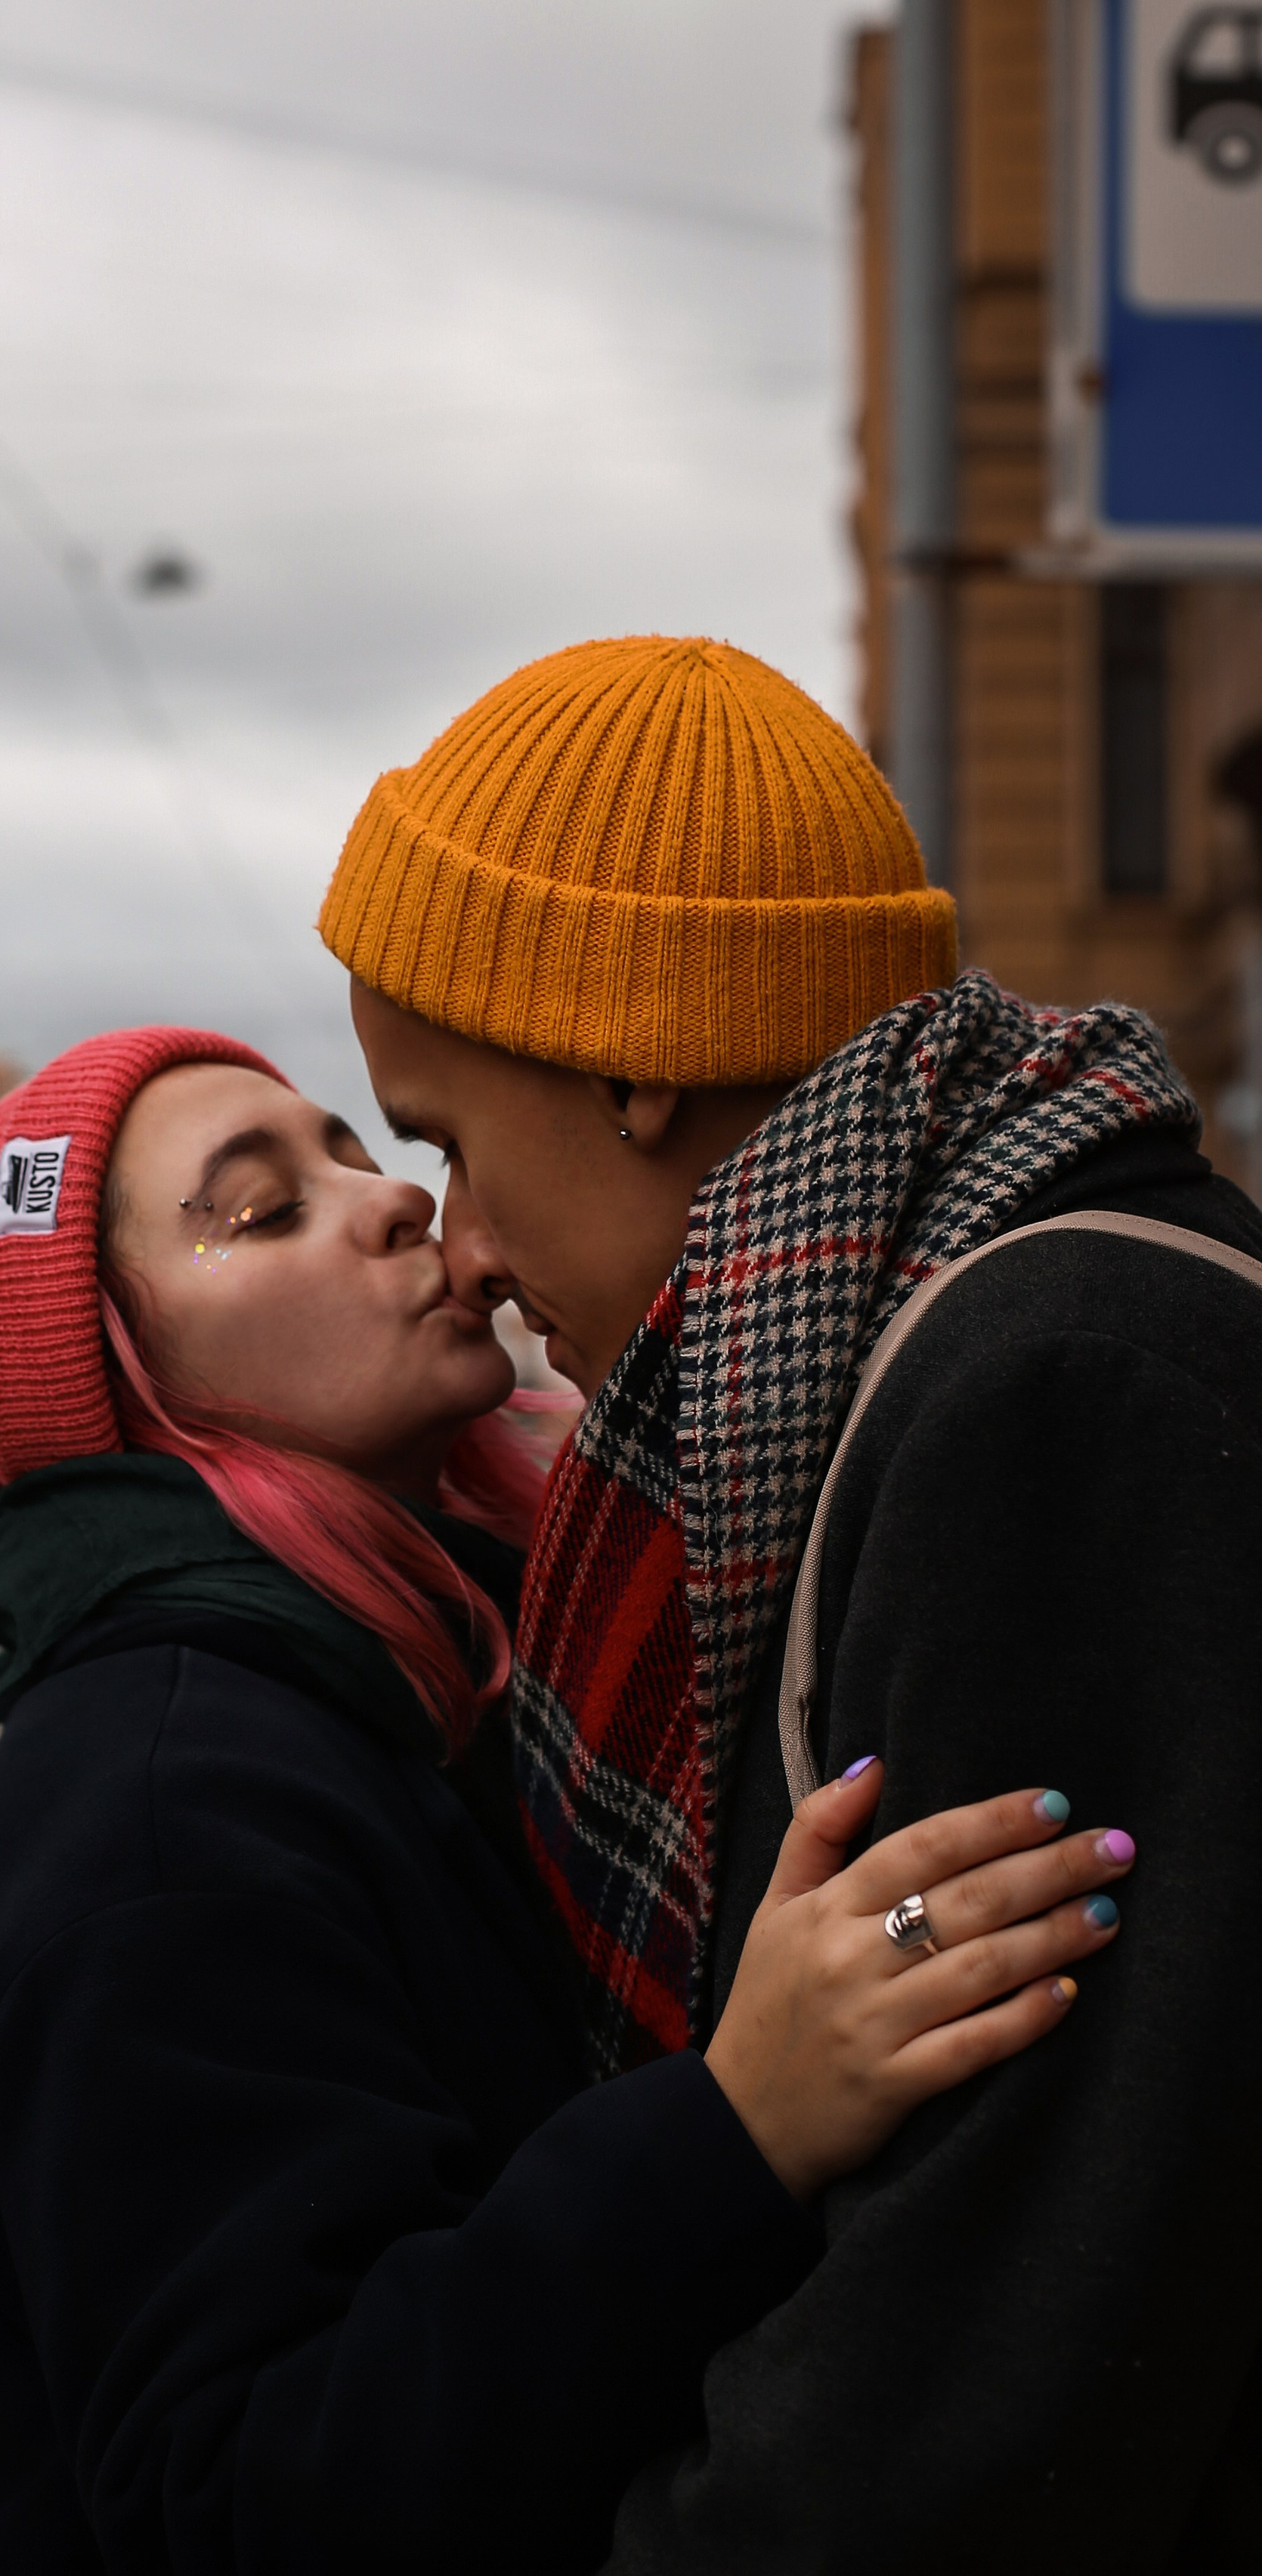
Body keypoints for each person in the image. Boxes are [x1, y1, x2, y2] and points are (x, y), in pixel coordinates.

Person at [0, 1023, 1132, 2574]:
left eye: (350, 1150)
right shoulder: (159, 1808)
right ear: (126, 1399)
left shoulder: (427, 1666)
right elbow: (245, 2500)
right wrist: (735, 2124)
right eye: (259, 1209)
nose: (384, 1201)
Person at [319, 631, 1262, 2568]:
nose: (465, 1255)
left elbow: (984, 2369)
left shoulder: (1049, 1388)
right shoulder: (924, 1337)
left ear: (625, 1064)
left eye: (448, 1145)